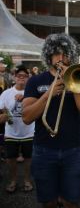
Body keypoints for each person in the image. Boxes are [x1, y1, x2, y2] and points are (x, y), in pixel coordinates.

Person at [22, 33, 80, 208]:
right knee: (49, 202)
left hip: (73, 150)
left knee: (71, 201)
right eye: (56, 53)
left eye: (65, 53)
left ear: (72, 55)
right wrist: (48, 94)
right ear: (48, 55)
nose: (61, 58)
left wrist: (73, 84)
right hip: (44, 150)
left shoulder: (78, 78)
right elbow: (26, 117)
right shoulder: (36, 81)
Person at [0, 65, 35, 193]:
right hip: (10, 132)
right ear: (14, 77)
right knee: (10, 159)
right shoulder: (6, 93)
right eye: (19, 76)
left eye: (25, 76)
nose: (22, 78)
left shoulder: (32, 92)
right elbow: (2, 110)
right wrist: (3, 116)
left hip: (29, 131)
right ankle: (13, 180)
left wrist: (25, 98)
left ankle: (27, 180)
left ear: (28, 78)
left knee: (28, 158)